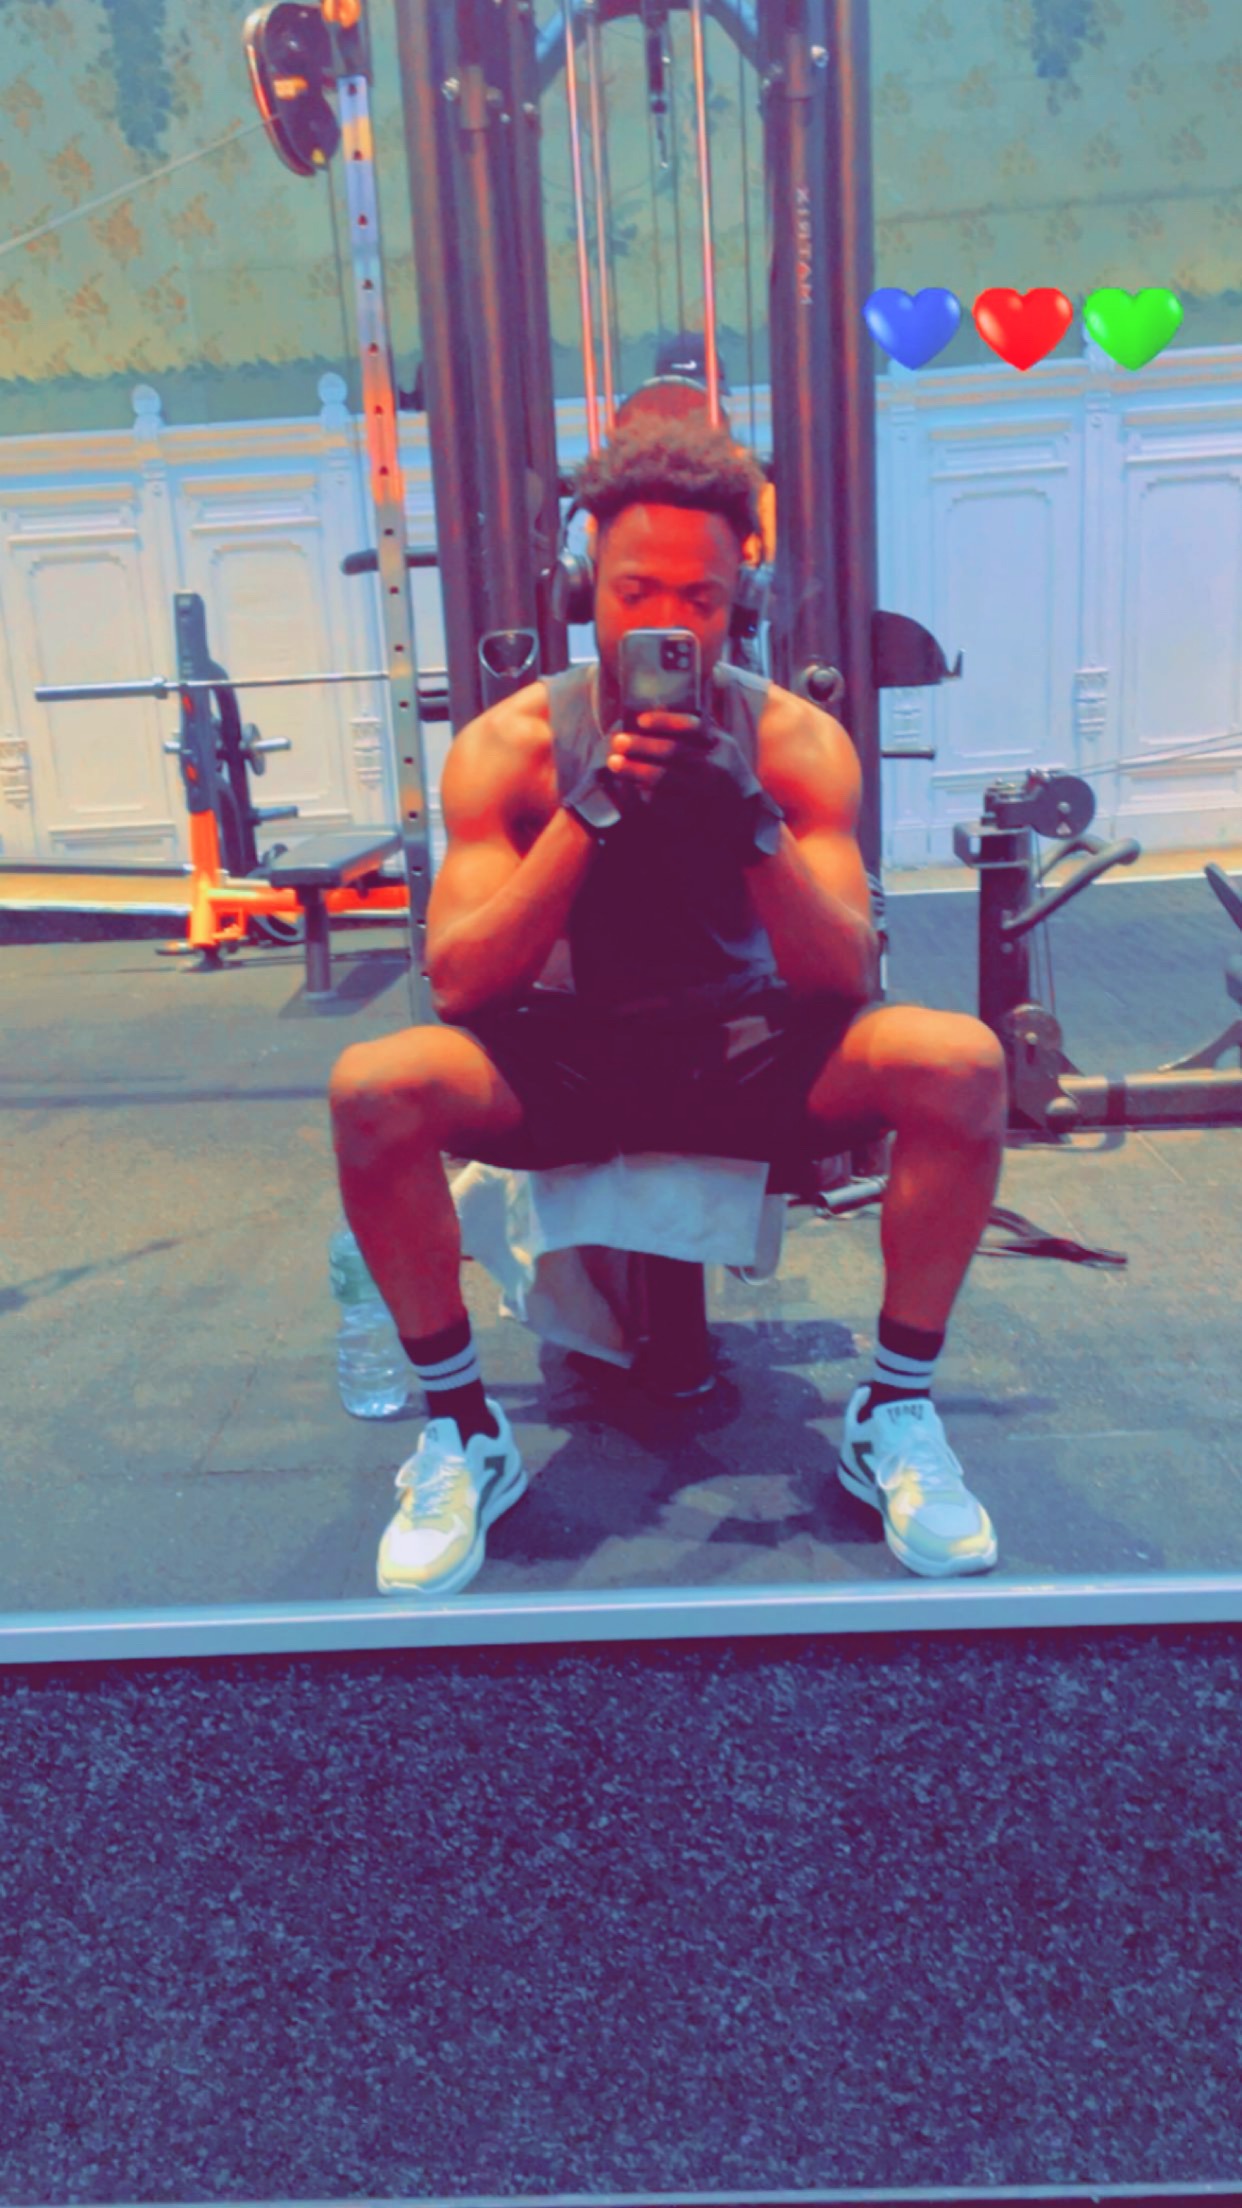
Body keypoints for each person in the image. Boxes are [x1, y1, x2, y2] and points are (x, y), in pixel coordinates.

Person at [328, 414, 1008, 1598]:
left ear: (742, 601)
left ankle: (893, 1412)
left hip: (744, 1053)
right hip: (566, 1062)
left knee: (961, 1061)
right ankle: (463, 1432)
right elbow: (463, 982)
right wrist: (587, 815)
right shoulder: (509, 748)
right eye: (637, 590)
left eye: (701, 598)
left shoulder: (796, 744)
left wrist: (751, 823)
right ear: (585, 588)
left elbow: (843, 976)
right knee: (373, 1087)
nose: (668, 621)